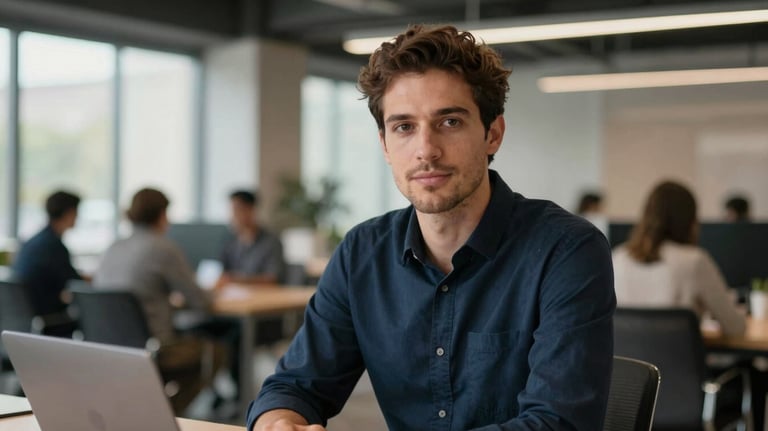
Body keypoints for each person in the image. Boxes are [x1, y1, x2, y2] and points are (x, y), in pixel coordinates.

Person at [248, 25, 615, 430]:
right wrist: (278, 421)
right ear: (385, 145)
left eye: (450, 122)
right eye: (404, 127)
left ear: (493, 134)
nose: (426, 150)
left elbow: (558, 423)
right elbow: (296, 385)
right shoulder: (361, 253)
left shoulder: (566, 251)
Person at [93, 188, 224, 413]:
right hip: (154, 348)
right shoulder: (163, 248)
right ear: (162, 214)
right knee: (215, 351)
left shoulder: (114, 246)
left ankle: (150, 412)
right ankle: (164, 415)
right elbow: (200, 301)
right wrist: (215, 290)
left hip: (109, 347)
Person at [613, 181, 746, 336]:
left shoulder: (618, 258)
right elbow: (736, 328)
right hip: (678, 360)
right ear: (689, 219)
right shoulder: (694, 261)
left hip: (628, 360)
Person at [12, 190, 83, 335]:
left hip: (22, 322)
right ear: (69, 213)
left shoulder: (31, 242)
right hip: (47, 322)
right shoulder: (54, 246)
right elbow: (76, 285)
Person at [217, 190, 286, 287]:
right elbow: (222, 273)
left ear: (251, 210)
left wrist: (236, 280)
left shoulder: (271, 242)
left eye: (236, 210)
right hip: (234, 295)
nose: (232, 216)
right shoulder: (231, 242)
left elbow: (273, 279)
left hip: (262, 297)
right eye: (231, 211)